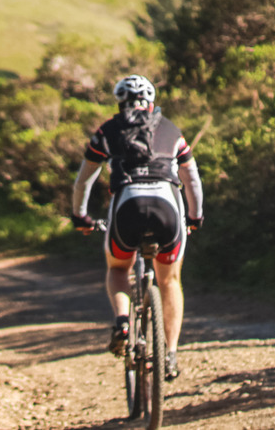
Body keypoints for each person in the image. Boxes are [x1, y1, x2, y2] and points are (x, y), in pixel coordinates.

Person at [69, 74, 202, 382]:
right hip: (167, 210)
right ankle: (169, 355)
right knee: (169, 281)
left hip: (126, 207)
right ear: (152, 102)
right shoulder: (172, 130)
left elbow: (83, 181)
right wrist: (195, 218)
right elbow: (191, 180)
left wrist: (80, 216)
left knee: (118, 269)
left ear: (120, 103)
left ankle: (122, 322)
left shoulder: (108, 131)